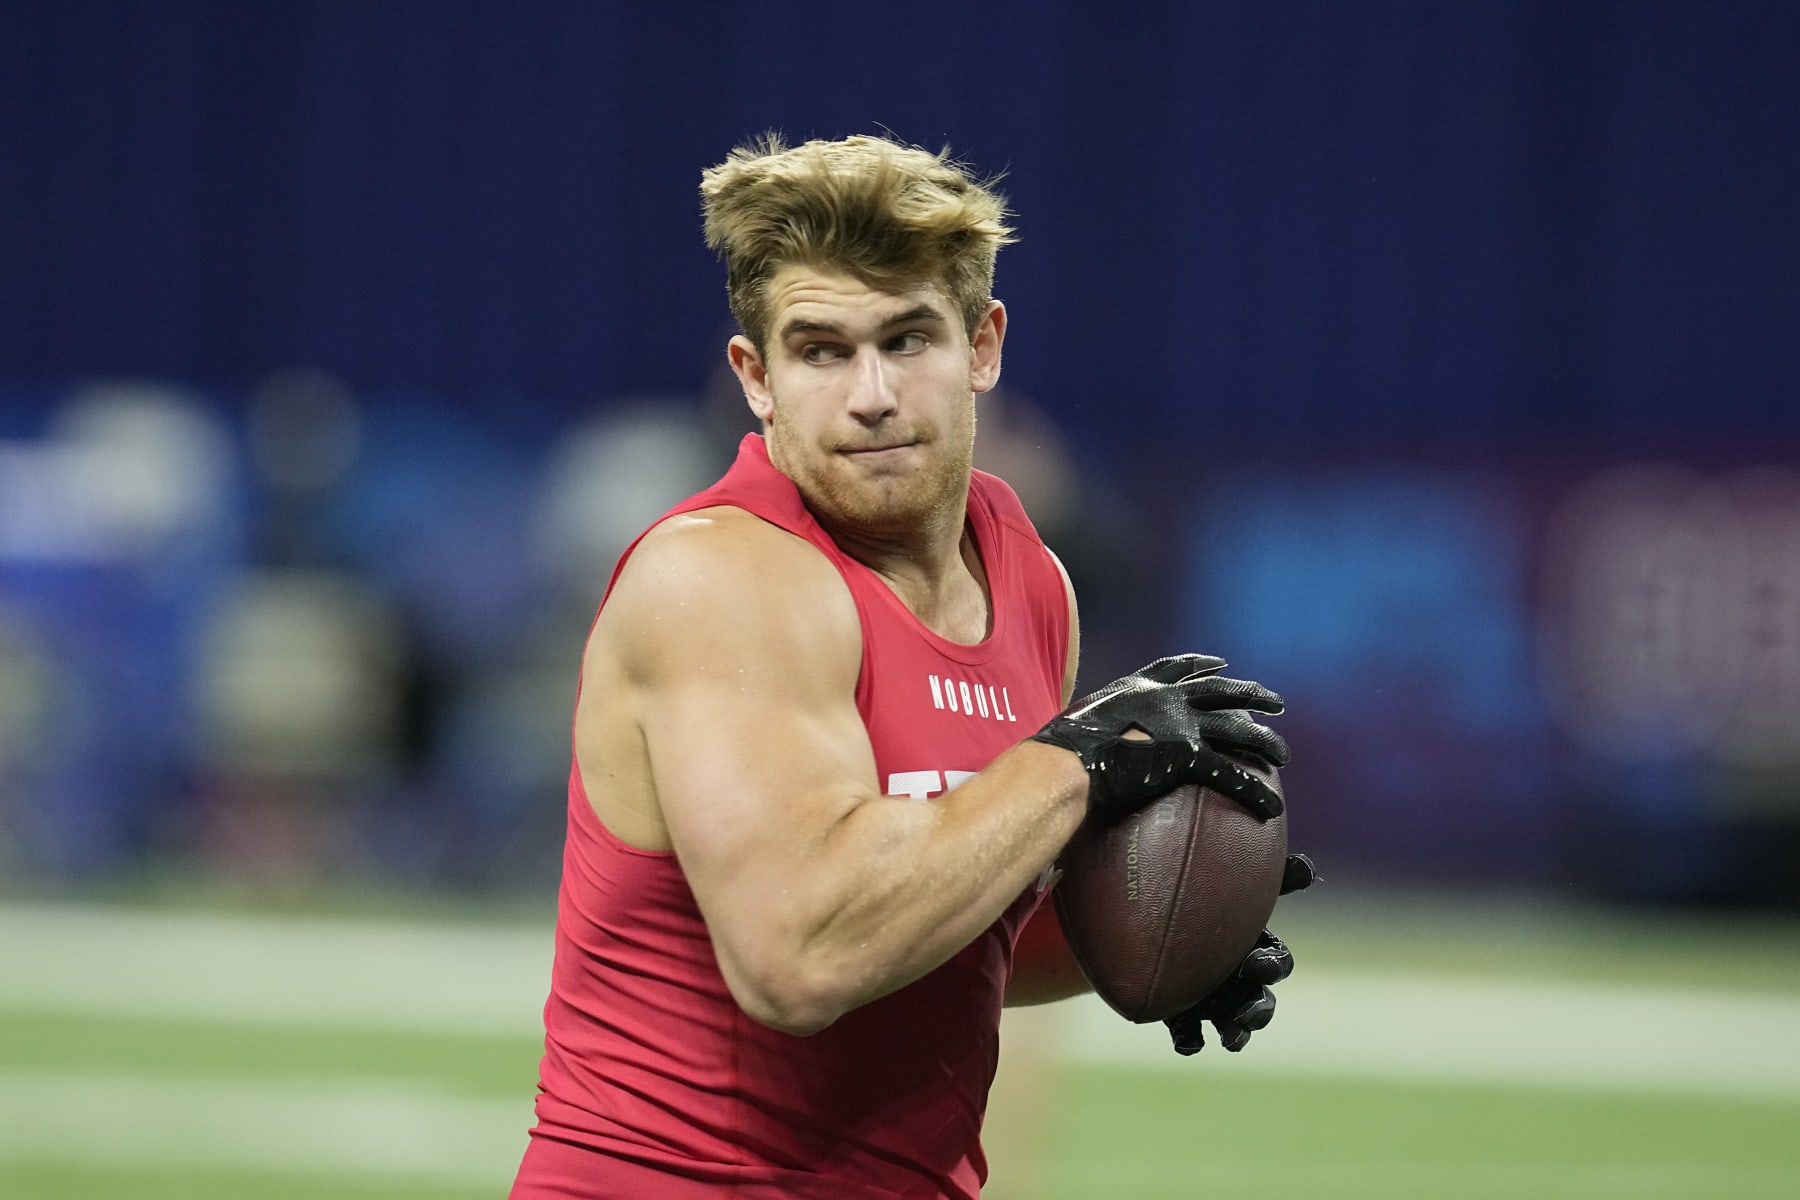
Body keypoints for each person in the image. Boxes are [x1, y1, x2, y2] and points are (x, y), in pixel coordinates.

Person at [509, 132, 1311, 1200]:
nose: (872, 394)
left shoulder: (1029, 577)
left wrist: (1156, 944)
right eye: (821, 351)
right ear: (757, 378)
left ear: (983, 346)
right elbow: (800, 956)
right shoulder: (722, 579)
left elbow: (953, 924)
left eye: (907, 339)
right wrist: (1070, 765)